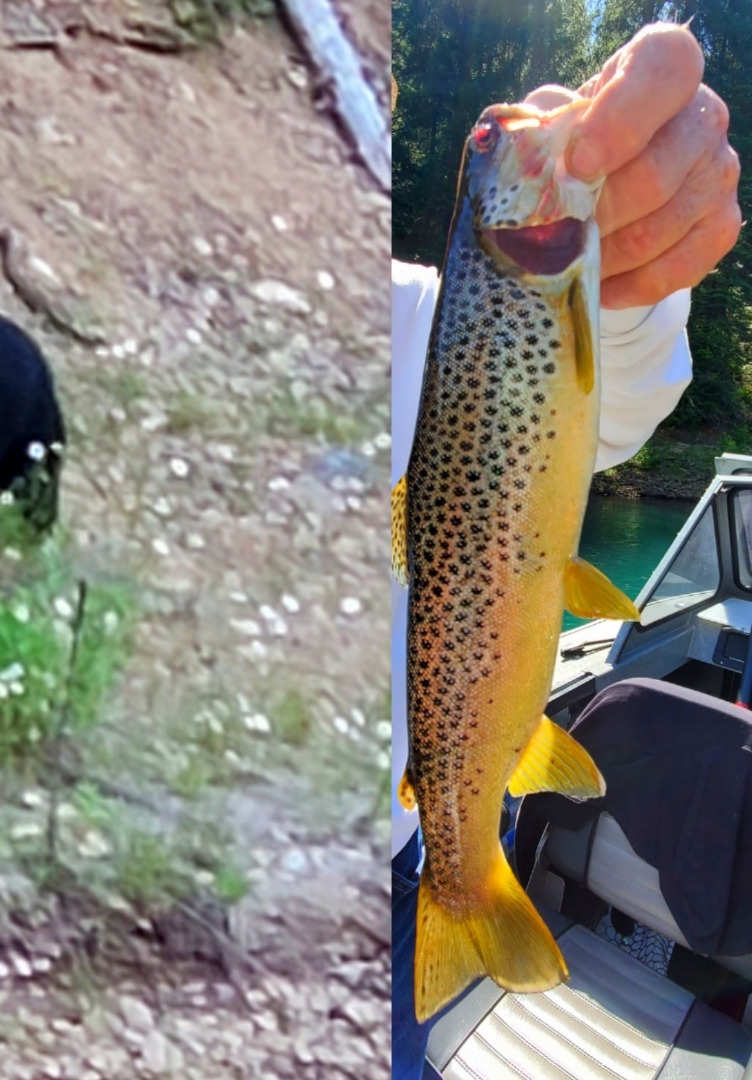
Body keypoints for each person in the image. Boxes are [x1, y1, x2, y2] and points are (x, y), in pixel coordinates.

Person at [392, 22, 741, 1077]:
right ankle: (467, 897)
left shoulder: (427, 312)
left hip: (397, 871)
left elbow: (621, 393)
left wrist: (632, 281)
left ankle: (461, 898)